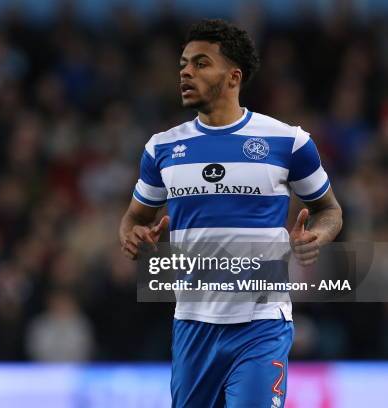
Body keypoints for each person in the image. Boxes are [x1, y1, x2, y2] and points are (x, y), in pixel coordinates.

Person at [119, 19, 342, 408]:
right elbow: (134, 218)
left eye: (201, 63)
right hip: (192, 325)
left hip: (262, 323)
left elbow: (329, 210)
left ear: (233, 76)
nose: (186, 72)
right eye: (184, 64)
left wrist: (317, 236)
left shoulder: (288, 141)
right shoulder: (162, 148)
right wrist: (135, 235)